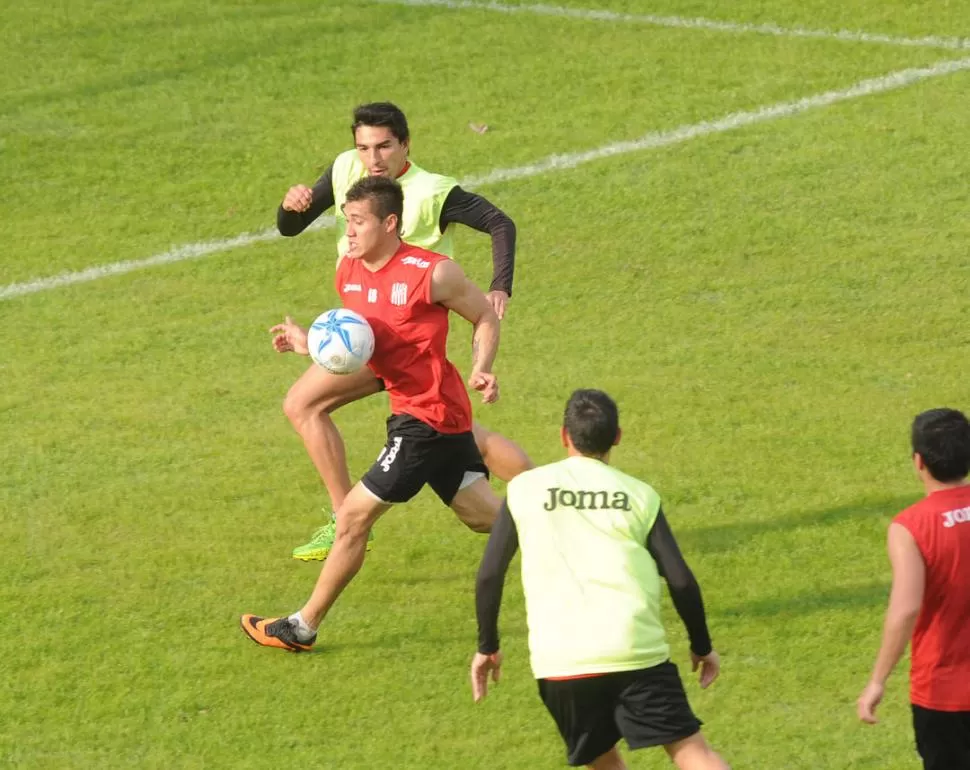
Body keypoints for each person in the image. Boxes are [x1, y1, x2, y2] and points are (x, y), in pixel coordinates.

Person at [241, 176, 506, 651]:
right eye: (347, 220)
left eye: (359, 222)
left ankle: (301, 626)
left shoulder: (433, 273)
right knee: (484, 516)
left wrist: (482, 368)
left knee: (353, 518)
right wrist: (311, 345)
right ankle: (582, 538)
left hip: (428, 416)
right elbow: (363, 345)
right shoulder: (348, 270)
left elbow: (485, 315)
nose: (350, 231)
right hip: (417, 411)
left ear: (389, 223)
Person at [276, 101, 531, 561]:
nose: (373, 159)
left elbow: (498, 222)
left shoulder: (432, 191)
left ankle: (344, 520)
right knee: (464, 449)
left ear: (405, 144)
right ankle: (550, 498)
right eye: (363, 148)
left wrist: (500, 288)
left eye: (384, 147)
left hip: (400, 338)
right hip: (363, 325)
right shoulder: (345, 174)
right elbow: (291, 227)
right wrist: (290, 207)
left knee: (302, 404)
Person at [471, 389, 729, 770]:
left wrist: (487, 647)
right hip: (635, 652)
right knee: (693, 753)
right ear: (618, 437)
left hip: (562, 662)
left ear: (564, 435)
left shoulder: (524, 489)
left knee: (603, 763)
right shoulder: (639, 495)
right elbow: (680, 579)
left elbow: (490, 573)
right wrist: (701, 645)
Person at [857, 408, 970, 769]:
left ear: (918, 461)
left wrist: (877, 680)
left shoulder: (911, 528)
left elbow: (905, 609)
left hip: (945, 693)